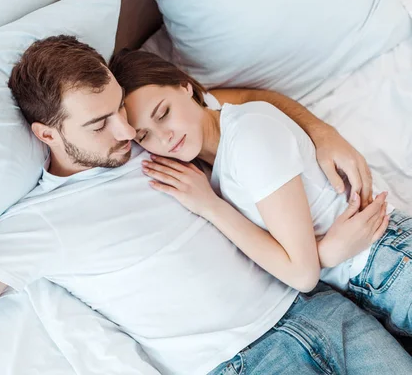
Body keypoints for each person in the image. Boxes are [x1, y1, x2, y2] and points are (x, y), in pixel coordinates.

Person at [0, 35, 412, 374]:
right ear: (47, 134)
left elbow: (225, 104)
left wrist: (322, 133)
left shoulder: (153, 133)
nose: (125, 132)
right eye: (99, 124)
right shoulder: (39, 222)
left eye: (119, 108)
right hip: (243, 364)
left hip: (324, 306)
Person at [110, 49, 412, 341]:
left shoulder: (247, 137)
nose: (164, 137)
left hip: (386, 260)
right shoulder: (209, 155)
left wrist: (212, 207)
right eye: (144, 135)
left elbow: (302, 274)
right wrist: (325, 255)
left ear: (185, 86)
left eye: (163, 114)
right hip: (365, 287)